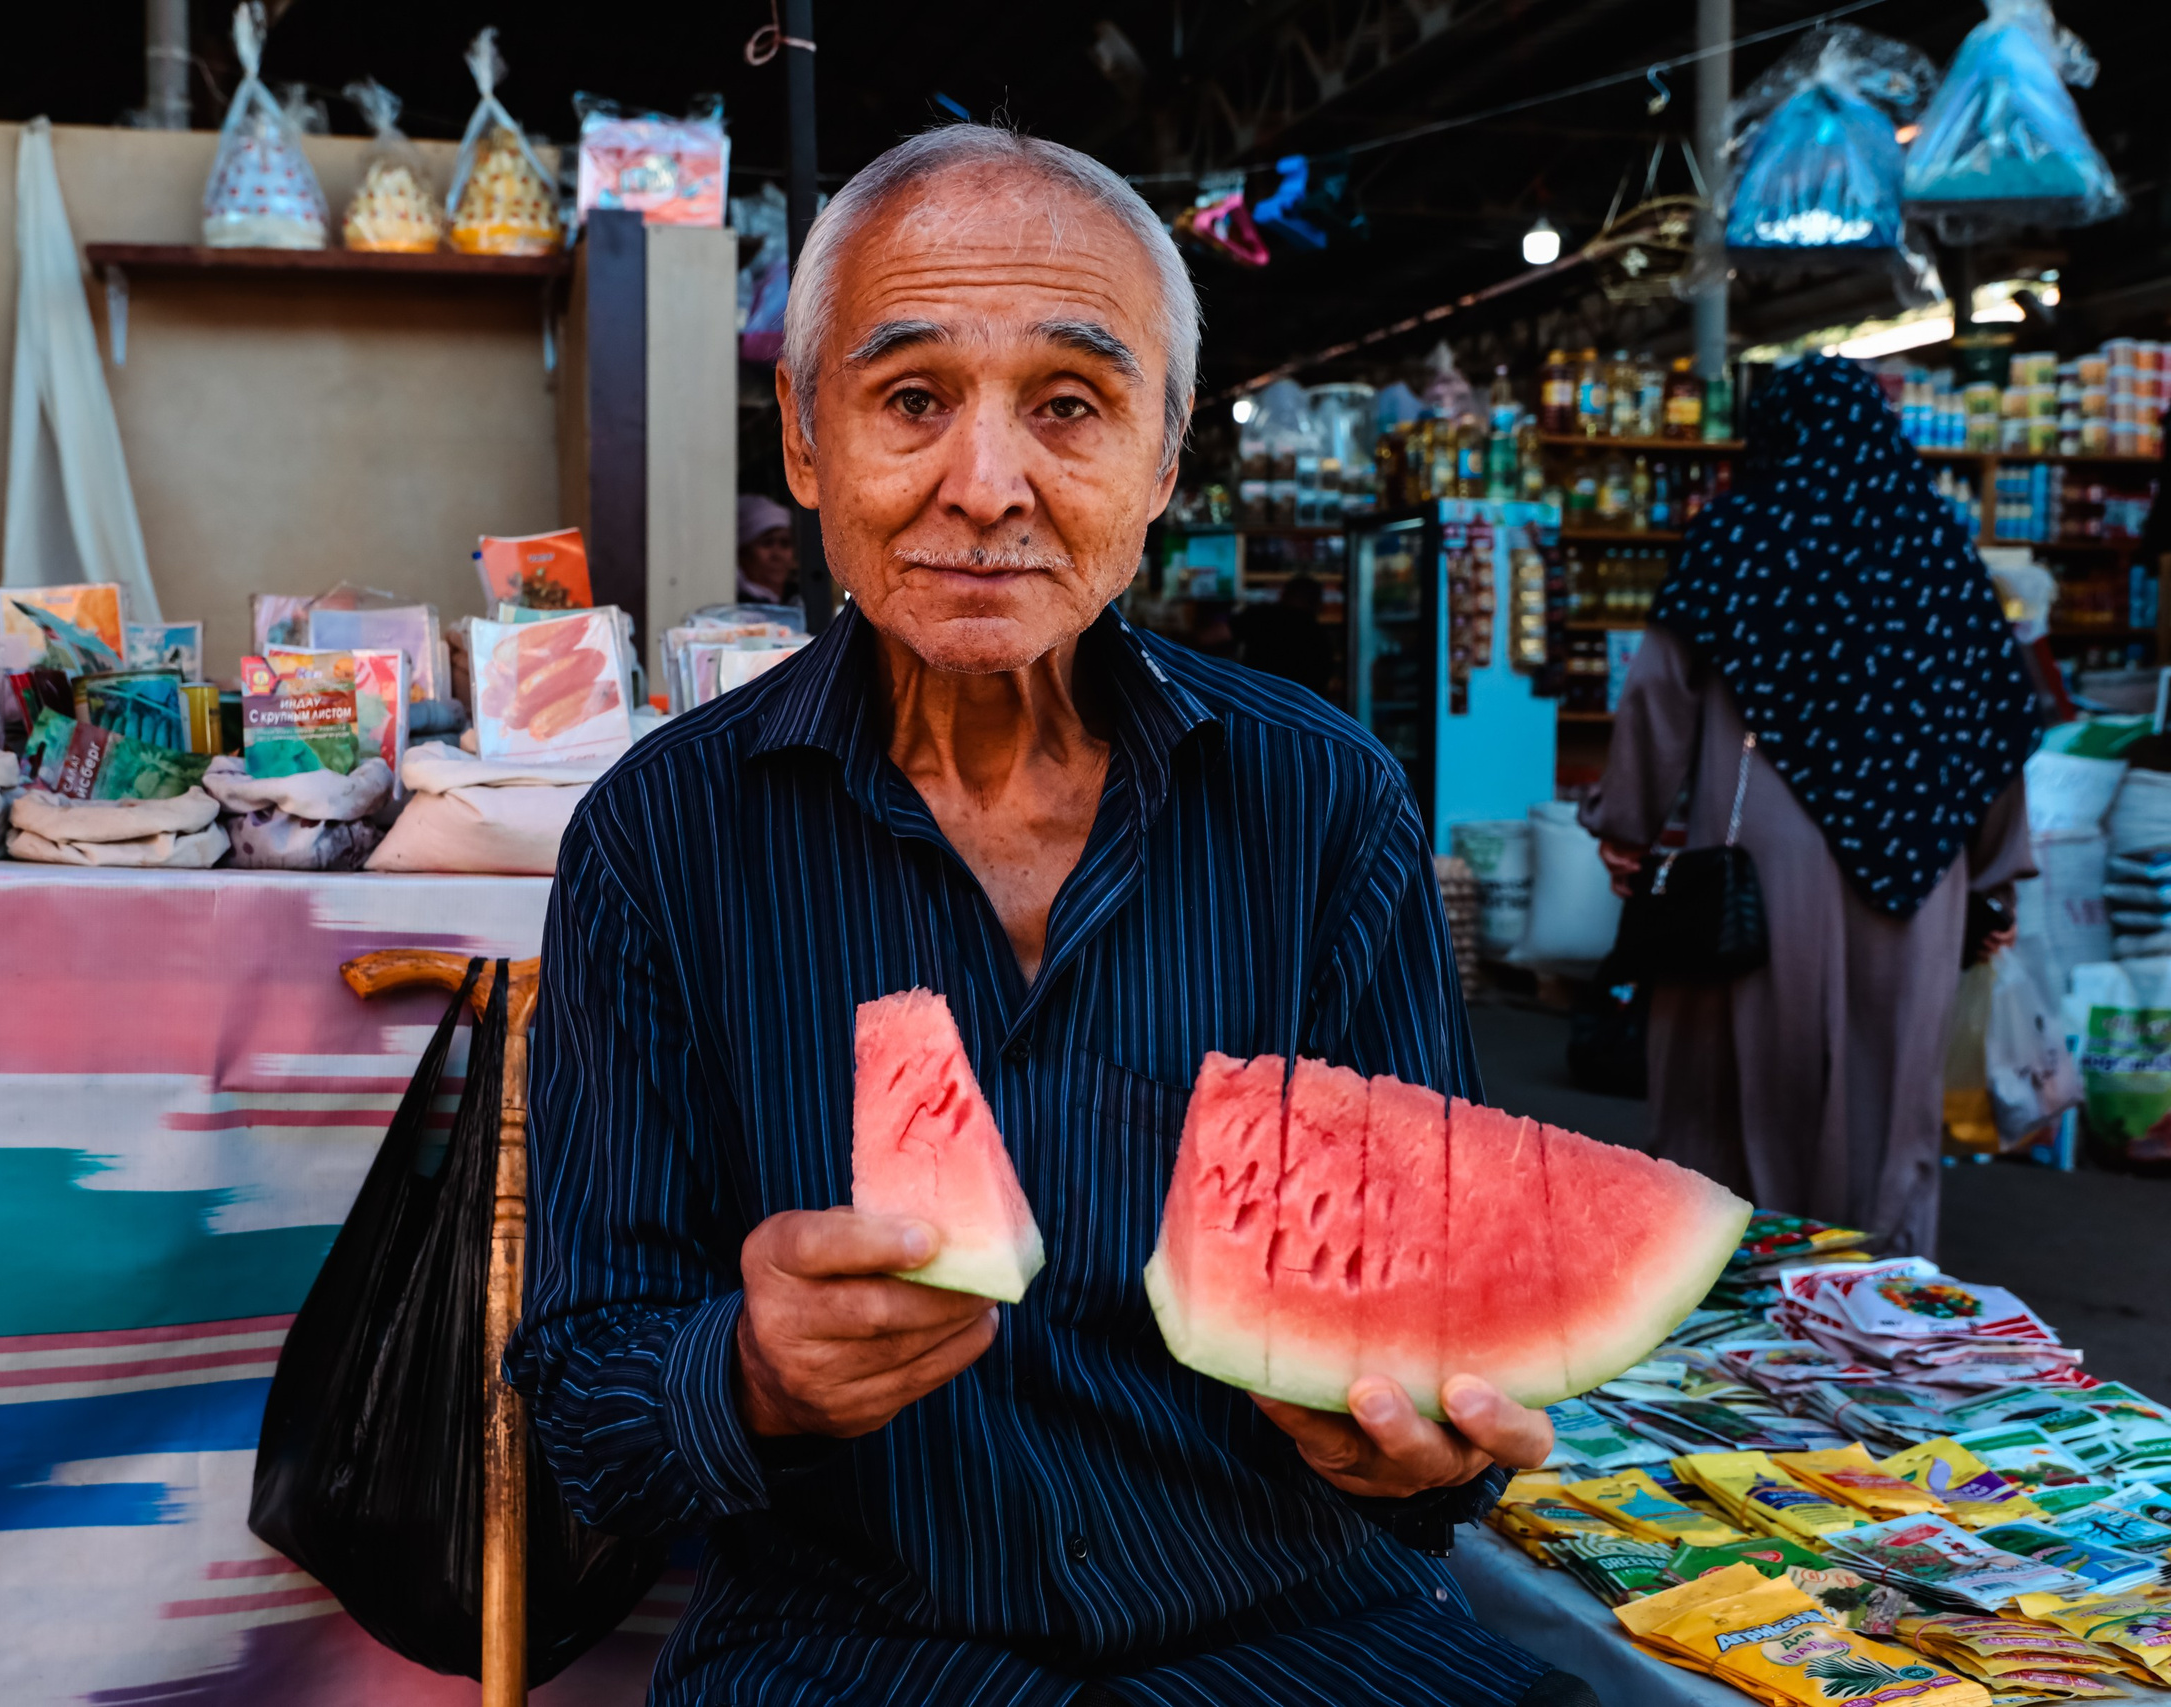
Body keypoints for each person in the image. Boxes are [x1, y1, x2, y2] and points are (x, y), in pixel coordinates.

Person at [511, 125, 1587, 1707]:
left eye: (1071, 406)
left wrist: (1422, 1437)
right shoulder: (662, 837)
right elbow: (589, 1401)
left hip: (1294, 1644)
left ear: (1161, 463)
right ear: (808, 446)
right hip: (855, 1654)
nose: (988, 484)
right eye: (913, 399)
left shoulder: (1324, 804)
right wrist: (745, 1370)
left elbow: (1426, 1355)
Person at [1581, 356, 2039, 1259]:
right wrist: (1994, 878)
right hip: (1917, 863)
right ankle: (1878, 1285)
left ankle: (1733, 1278)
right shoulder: (1936, 544)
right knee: (1890, 1078)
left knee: (1741, 1070)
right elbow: (1996, 716)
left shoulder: (1738, 535)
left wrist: (1627, 825)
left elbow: (1660, 693)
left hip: (1762, 855)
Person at [1231, 572, 1333, 697]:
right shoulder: (1320, 639)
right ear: (1317, 603)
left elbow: (1212, 635)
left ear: (1285, 594)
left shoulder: (1264, 618)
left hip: (1257, 703)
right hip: (1298, 710)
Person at [738, 492, 800, 604]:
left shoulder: (801, 601)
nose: (777, 555)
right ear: (743, 552)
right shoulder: (736, 606)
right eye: (766, 543)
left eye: (785, 544)